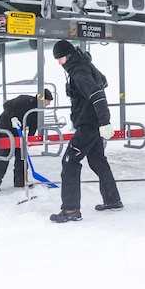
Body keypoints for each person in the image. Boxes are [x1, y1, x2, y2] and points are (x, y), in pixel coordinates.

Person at [48, 39, 122, 223]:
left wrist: (104, 121)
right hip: (92, 123)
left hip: (88, 125)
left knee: (70, 162)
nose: (59, 63)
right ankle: (112, 199)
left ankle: (70, 209)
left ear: (68, 56)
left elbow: (97, 93)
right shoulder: (85, 65)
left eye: (60, 59)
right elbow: (103, 81)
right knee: (98, 162)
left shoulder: (79, 72)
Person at [0, 88, 53, 191]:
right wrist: (13, 117)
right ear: (42, 99)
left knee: (22, 155)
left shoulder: (37, 111)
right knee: (5, 154)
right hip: (5, 127)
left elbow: (33, 125)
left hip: (17, 130)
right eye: (48, 101)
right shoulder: (25, 100)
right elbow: (7, 105)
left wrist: (29, 139)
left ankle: (20, 181)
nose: (48, 104)